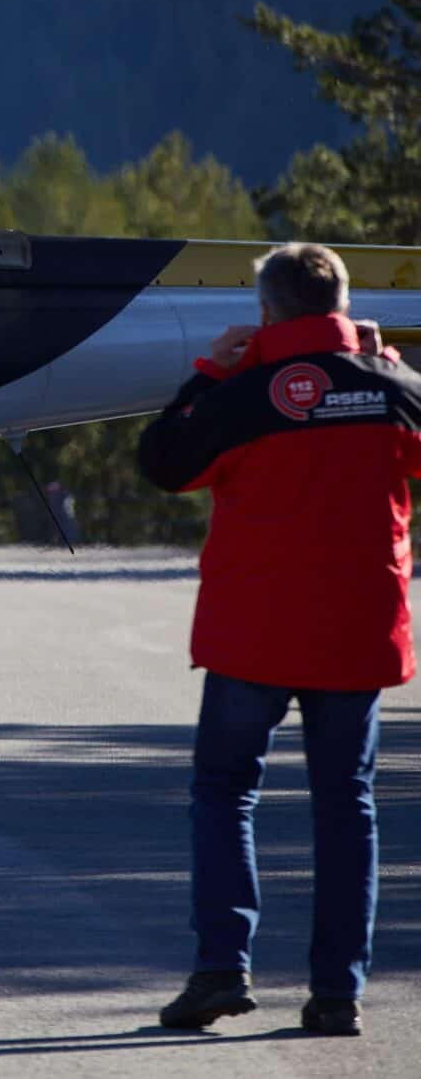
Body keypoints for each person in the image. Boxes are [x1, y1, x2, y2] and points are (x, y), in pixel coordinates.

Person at [137, 243, 419, 1036]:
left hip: (250, 634)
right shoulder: (390, 389)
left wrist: (209, 372)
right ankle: (338, 993)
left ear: (266, 313)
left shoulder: (240, 396)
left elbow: (161, 460)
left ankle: (222, 970)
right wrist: (387, 361)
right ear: (342, 308)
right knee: (346, 806)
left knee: (226, 792)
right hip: (355, 635)